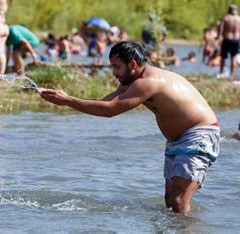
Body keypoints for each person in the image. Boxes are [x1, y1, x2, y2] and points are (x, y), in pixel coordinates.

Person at [39, 41, 220, 214]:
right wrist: (66, 98)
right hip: (178, 141)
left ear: (132, 64)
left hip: (198, 135)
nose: (113, 72)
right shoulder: (133, 81)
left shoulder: (147, 82)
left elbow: (110, 110)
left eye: (117, 66)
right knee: (170, 201)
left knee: (179, 201)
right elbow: (105, 102)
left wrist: (68, 101)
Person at [217, 4, 240, 79]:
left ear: (229, 10)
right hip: (236, 40)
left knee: (223, 57)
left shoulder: (225, 18)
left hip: (226, 39)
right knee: (234, 57)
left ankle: (221, 72)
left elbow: (221, 29)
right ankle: (231, 75)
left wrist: (219, 37)